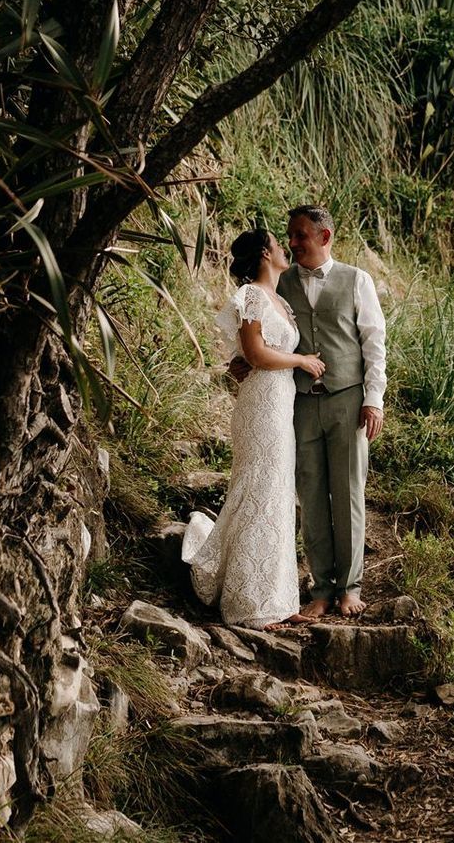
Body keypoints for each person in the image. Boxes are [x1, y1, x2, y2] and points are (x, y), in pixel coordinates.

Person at [241, 204, 387, 620]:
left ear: (325, 237)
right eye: (289, 236)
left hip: (347, 399)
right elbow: (258, 331)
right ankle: (321, 589)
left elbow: (374, 343)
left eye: (301, 235)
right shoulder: (279, 282)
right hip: (300, 401)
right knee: (311, 496)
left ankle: (350, 587)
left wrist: (373, 398)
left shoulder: (357, 280)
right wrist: (242, 359)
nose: (292, 243)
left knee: (348, 495)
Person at [181, 227, 328, 628]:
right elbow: (255, 353)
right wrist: (301, 360)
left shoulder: (280, 300)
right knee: (259, 487)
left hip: (280, 403)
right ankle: (249, 604)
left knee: (277, 492)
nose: (287, 249)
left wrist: (282, 361)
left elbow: (254, 354)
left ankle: (278, 599)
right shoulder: (251, 295)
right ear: (266, 253)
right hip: (260, 403)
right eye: (281, 245)